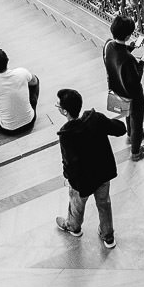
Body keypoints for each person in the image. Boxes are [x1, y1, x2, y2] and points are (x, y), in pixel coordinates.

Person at [54, 88, 124, 248]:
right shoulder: (95, 118)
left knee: (77, 204)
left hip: (82, 180)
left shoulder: (66, 135)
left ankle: (74, 227)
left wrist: (69, 178)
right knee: (104, 203)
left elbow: (69, 163)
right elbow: (120, 129)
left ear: (65, 111)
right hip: (103, 172)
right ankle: (108, 236)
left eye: (58, 105)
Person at [103, 14, 144, 161]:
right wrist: (141, 63)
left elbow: (115, 57)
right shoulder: (128, 59)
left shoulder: (108, 45)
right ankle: (136, 152)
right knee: (137, 121)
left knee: (126, 114)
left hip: (116, 90)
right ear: (128, 35)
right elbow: (135, 79)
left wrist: (129, 48)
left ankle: (131, 135)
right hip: (134, 96)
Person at [0, 48, 39, 134]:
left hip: (8, 130)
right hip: (30, 122)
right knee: (34, 79)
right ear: (7, 60)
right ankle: (30, 105)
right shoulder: (22, 72)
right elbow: (34, 82)